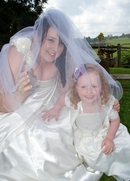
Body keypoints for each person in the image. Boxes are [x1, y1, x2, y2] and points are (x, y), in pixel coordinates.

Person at [0, 8, 120, 181]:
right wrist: (19, 94)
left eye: (61, 43)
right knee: (31, 138)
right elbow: (2, 103)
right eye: (50, 40)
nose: (55, 48)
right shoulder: (20, 49)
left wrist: (105, 102)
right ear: (39, 34)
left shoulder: (63, 59)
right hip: (18, 108)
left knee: (60, 134)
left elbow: (79, 91)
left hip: (53, 102)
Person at [43, 63, 130, 181]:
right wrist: (56, 108)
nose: (89, 91)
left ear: (102, 87)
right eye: (83, 87)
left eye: (94, 86)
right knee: (92, 156)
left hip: (101, 132)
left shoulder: (106, 103)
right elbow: (63, 97)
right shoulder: (75, 101)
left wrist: (109, 137)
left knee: (117, 149)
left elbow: (115, 120)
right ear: (76, 88)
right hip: (83, 136)